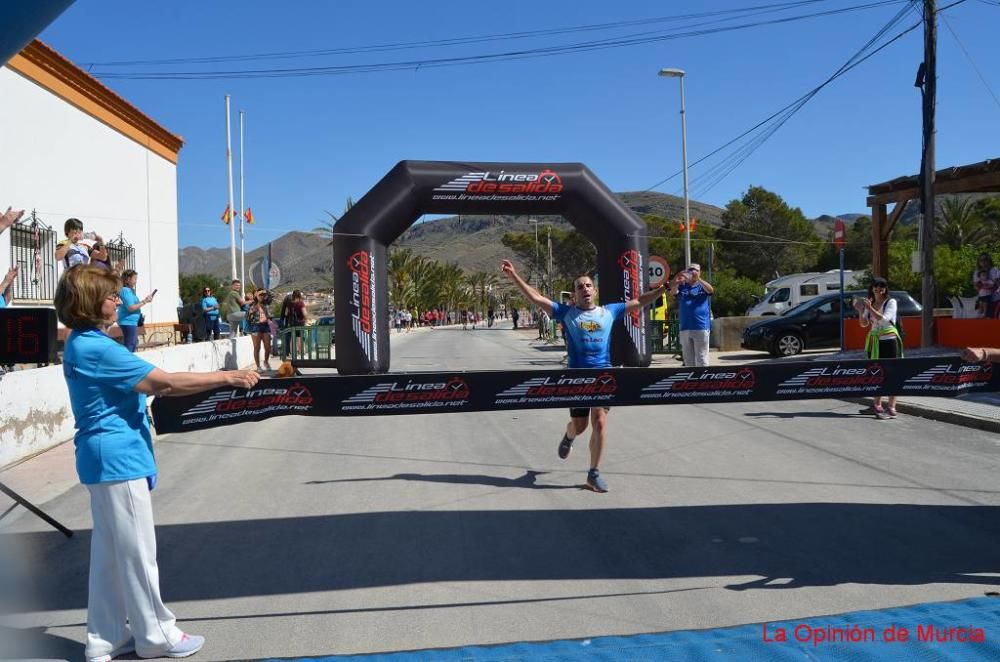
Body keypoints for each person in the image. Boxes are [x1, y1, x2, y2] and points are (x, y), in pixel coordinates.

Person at [54, 264, 260, 662]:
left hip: (102, 458)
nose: (118, 299)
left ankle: (106, 638)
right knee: (137, 553)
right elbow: (163, 383)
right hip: (118, 459)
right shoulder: (97, 347)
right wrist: (227, 377)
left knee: (112, 553)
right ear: (90, 301)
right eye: (111, 294)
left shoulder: (84, 341)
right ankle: (157, 635)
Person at [500, 258, 667, 493]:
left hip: (603, 377)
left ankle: (593, 474)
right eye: (580, 287)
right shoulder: (566, 312)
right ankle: (569, 435)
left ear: (595, 291)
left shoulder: (609, 311)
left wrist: (667, 288)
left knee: (599, 423)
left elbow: (640, 301)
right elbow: (536, 298)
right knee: (580, 427)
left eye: (588, 285)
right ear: (575, 294)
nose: (585, 289)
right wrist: (514, 276)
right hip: (576, 379)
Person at [854, 277, 901, 419]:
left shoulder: (890, 302)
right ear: (872, 288)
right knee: (876, 372)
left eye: (882, 286)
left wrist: (869, 308)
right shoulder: (871, 302)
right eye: (876, 286)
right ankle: (877, 405)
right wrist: (860, 310)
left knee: (891, 373)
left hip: (889, 340)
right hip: (875, 341)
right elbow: (864, 324)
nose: (878, 289)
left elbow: (884, 319)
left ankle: (892, 408)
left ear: (886, 289)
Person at [668, 263, 714, 367]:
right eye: (691, 270)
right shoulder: (683, 286)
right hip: (685, 327)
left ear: (699, 272)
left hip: (701, 327)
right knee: (688, 359)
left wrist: (699, 279)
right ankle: (690, 381)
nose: (693, 272)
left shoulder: (702, 286)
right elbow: (672, 292)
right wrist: (677, 280)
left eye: (696, 270)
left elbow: (711, 290)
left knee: (702, 358)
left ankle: (702, 381)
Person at [117, 269, 155, 352]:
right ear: (127, 280)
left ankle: (129, 363)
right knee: (130, 345)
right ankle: (128, 363)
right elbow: (130, 307)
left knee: (132, 344)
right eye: (134, 279)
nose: (136, 281)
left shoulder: (129, 291)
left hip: (130, 322)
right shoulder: (126, 291)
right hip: (127, 321)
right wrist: (145, 301)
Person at [247, 289, 274, 372]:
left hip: (265, 326)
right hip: (256, 326)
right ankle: (258, 366)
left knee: (268, 347)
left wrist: (270, 320)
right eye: (260, 295)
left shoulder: (267, 305)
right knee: (257, 347)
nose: (262, 296)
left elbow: (271, 316)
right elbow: (248, 317)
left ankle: (266, 361)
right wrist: (253, 310)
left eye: (263, 295)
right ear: (256, 296)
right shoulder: (252, 305)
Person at [972, 253, 998, 319]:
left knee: (990, 316)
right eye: (982, 260)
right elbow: (976, 287)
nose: (984, 262)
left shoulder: (994, 270)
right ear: (979, 262)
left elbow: (996, 284)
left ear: (990, 261)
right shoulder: (977, 272)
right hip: (982, 297)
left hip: (995, 298)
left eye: (986, 260)